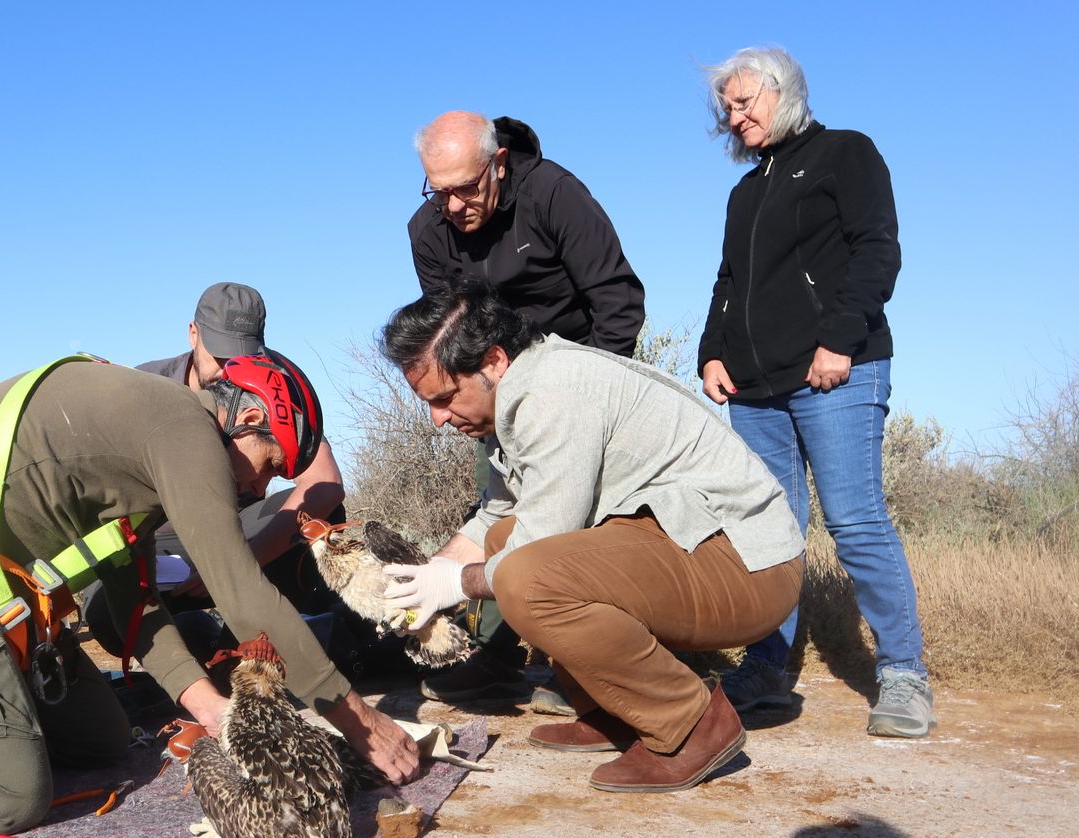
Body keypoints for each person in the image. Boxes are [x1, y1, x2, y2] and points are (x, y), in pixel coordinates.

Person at [0, 353, 421, 832]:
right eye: (268, 464)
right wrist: (359, 720)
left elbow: (130, 604)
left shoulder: (150, 447)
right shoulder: (182, 427)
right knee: (4, 791)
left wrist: (210, 709)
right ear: (242, 419)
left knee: (101, 738)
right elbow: (240, 589)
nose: (257, 487)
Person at [377, 281, 804, 792]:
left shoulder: (555, 392)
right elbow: (497, 518)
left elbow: (541, 540)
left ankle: (690, 724)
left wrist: (456, 585)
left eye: (445, 398)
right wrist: (425, 577)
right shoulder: (520, 396)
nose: (438, 419)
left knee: (524, 572)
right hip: (692, 545)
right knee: (507, 545)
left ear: (493, 361)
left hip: (747, 566)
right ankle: (616, 712)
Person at [697, 47, 933, 738]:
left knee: (856, 521)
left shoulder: (845, 153)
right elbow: (729, 283)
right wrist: (712, 352)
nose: (735, 119)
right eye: (727, 111)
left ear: (784, 91)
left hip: (836, 372)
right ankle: (766, 670)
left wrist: (840, 339)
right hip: (755, 389)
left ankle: (903, 674)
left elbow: (876, 249)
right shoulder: (745, 192)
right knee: (769, 532)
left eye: (745, 104)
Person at [408, 110, 647, 705]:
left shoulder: (554, 194)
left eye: (467, 188)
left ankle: (596, 669)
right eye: (440, 192)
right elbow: (448, 334)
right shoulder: (427, 230)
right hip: (498, 395)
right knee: (498, 512)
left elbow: (616, 296)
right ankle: (496, 654)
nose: (455, 205)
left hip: (582, 376)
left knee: (586, 518)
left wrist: (598, 393)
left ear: (498, 163)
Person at [130, 284, 366, 660]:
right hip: (167, 541)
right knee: (110, 610)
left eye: (246, 355)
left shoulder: (276, 382)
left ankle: (246, 649)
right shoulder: (149, 388)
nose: (232, 371)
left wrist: (242, 564)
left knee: (317, 518)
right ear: (194, 334)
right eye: (222, 356)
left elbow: (325, 484)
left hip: (241, 535)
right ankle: (190, 646)